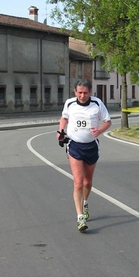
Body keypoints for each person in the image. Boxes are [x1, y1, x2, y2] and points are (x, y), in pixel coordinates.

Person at [57, 79, 112, 232]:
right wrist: (60, 131)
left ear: (90, 92)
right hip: (75, 146)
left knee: (88, 182)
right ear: (75, 92)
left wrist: (99, 130)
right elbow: (64, 118)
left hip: (91, 146)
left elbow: (108, 121)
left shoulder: (97, 103)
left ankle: (85, 202)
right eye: (79, 92)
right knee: (78, 183)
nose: (82, 96)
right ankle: (80, 217)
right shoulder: (70, 103)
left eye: (85, 93)